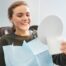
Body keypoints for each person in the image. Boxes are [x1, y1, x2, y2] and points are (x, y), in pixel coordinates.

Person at [0, 1, 66, 66]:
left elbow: (60, 60)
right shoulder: (4, 41)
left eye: (27, 15)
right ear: (11, 19)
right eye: (20, 15)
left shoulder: (42, 36)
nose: (25, 18)